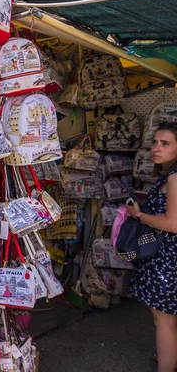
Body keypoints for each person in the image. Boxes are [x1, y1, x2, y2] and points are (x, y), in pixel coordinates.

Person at [127, 121, 177, 372]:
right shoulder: (169, 175)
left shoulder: (175, 178)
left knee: (163, 320)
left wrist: (138, 215)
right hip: (166, 257)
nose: (156, 148)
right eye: (155, 142)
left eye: (165, 143)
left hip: (168, 259)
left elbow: (173, 223)